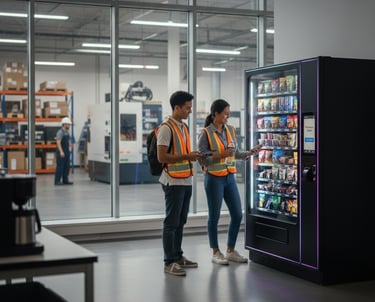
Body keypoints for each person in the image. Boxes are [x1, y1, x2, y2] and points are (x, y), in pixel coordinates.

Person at [198, 99, 262, 265]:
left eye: (228, 113)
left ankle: (230, 250)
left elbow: (236, 153)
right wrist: (222, 155)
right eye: (225, 114)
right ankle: (215, 252)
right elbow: (203, 161)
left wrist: (250, 152)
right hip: (213, 178)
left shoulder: (231, 130)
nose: (227, 116)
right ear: (215, 114)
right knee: (214, 216)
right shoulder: (205, 133)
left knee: (237, 214)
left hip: (229, 177)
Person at [157, 90, 202, 276]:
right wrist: (187, 156)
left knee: (181, 221)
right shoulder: (166, 128)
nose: (190, 111)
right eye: (187, 108)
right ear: (177, 107)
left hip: (185, 179)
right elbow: (161, 157)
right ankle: (169, 262)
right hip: (173, 181)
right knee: (171, 222)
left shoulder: (183, 127)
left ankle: (178, 256)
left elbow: (182, 152)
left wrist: (192, 156)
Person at [54, 117, 73, 185]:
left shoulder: (67, 132)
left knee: (66, 166)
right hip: (61, 152)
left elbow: (69, 141)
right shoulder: (60, 132)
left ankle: (65, 180)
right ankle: (57, 181)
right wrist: (61, 151)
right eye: (68, 124)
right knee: (60, 167)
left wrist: (70, 147)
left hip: (67, 152)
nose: (69, 125)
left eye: (69, 124)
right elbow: (58, 142)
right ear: (64, 124)